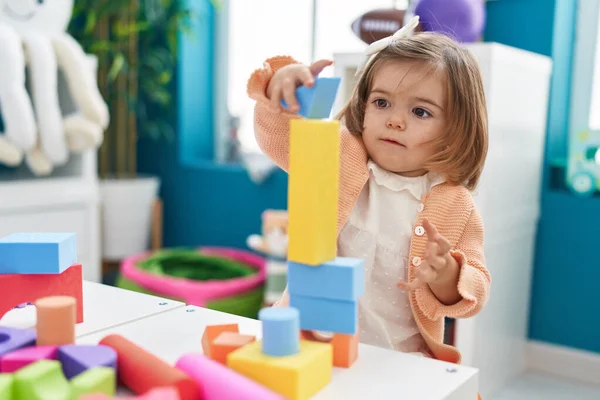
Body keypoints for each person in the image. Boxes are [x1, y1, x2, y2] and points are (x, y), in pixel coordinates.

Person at [245, 17, 491, 365]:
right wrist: (280, 91)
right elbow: (280, 138)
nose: (394, 120)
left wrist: (447, 275)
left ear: (456, 129)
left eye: (420, 111)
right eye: (381, 102)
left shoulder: (457, 207)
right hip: (313, 346)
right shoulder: (341, 153)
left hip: (400, 360)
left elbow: (476, 289)